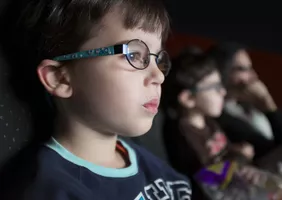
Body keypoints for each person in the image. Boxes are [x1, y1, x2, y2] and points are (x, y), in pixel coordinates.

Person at [0, 0, 192, 199]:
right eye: (134, 55)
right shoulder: (48, 189)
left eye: (158, 59)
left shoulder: (143, 159)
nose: (159, 76)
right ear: (61, 79)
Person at [162, 53, 282, 200]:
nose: (223, 92)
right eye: (214, 87)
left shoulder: (211, 123)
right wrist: (239, 157)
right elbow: (204, 181)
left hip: (241, 179)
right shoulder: (182, 134)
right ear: (188, 98)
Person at [206, 42, 282, 160]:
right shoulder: (217, 115)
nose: (253, 76)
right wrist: (267, 103)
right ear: (222, 72)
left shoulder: (249, 106)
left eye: (250, 68)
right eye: (242, 69)